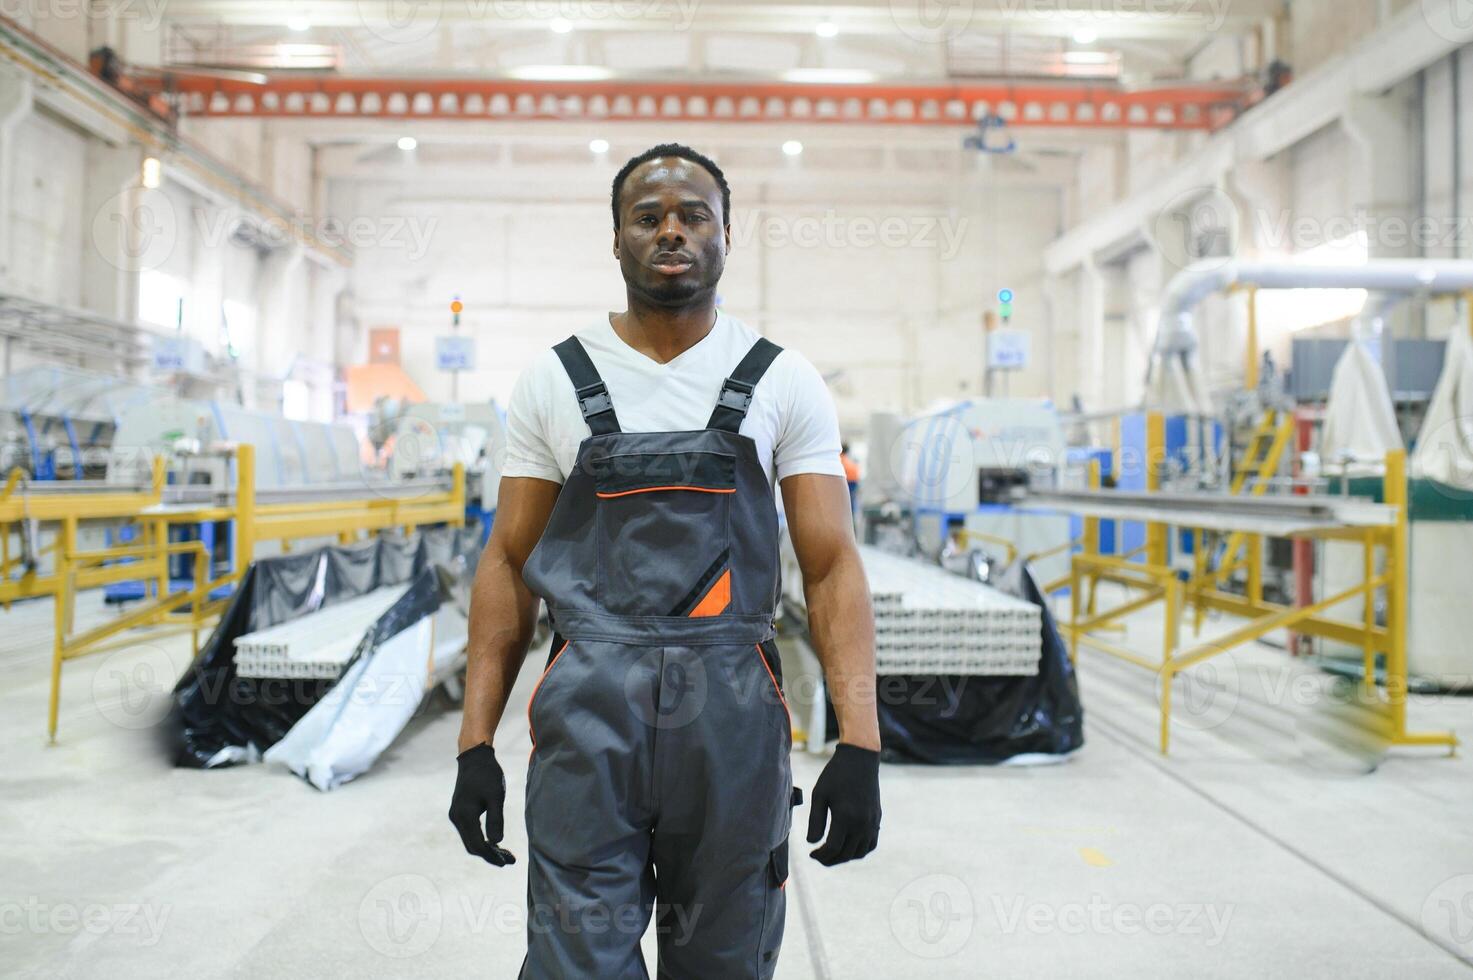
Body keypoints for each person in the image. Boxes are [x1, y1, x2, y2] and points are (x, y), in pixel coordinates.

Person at [448, 142, 882, 979]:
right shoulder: (552, 379)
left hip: (732, 718)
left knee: (725, 957)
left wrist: (860, 742)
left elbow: (831, 566)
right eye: (647, 218)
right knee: (577, 960)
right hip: (587, 719)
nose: (671, 232)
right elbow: (506, 562)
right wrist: (474, 745)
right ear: (616, 240)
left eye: (694, 215)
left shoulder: (781, 380)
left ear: (727, 235)